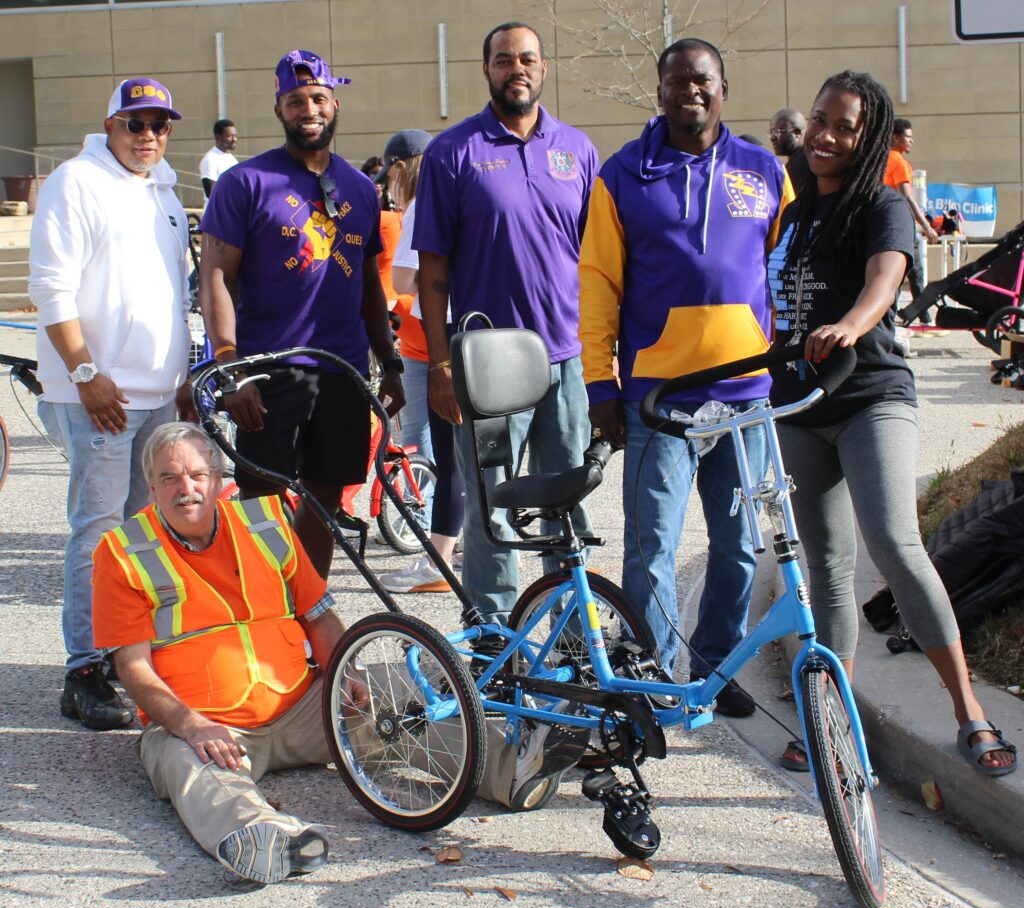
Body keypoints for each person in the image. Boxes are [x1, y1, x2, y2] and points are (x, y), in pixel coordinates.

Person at [93, 424, 590, 885]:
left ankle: (513, 771)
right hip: (209, 725)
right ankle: (262, 838)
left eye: (198, 474)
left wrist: (343, 672)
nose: (187, 488)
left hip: (304, 705)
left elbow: (319, 615)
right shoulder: (122, 551)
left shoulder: (264, 522)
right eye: (169, 478)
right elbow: (132, 668)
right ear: (151, 487)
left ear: (219, 477)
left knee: (395, 692)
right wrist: (189, 723)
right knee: (188, 766)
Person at [767, 70, 1016, 777]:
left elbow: (883, 281)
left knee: (896, 544)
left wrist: (848, 324)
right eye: (820, 119)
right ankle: (833, 712)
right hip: (801, 406)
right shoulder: (793, 214)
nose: (824, 134)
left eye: (843, 126)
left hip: (871, 395)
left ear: (867, 136)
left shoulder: (880, 204)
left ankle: (969, 708)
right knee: (827, 569)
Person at [579, 38, 793, 716]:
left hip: (744, 403)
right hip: (657, 401)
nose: (688, 92)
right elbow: (598, 284)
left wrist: (787, 357)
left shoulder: (765, 173)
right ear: (660, 91)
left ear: (723, 87)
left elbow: (786, 274)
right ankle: (657, 680)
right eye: (675, 81)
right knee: (651, 549)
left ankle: (717, 666)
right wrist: (599, 383)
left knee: (738, 548)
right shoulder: (621, 176)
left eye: (701, 80)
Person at [414, 21, 599, 624]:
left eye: (526, 59)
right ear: (486, 69)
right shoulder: (452, 154)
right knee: (491, 505)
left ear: (543, 68)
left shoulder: (579, 151)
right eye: (502, 60)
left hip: (566, 360)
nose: (515, 68)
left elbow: (597, 263)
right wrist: (441, 364)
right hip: (486, 367)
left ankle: (571, 633)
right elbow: (432, 273)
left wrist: (605, 355)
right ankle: (493, 633)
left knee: (567, 500)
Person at [198, 50, 405, 580]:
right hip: (269, 372)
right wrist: (230, 367)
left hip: (343, 371)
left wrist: (390, 360)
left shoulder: (360, 189)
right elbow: (216, 277)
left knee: (325, 501)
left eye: (317, 99)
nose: (307, 109)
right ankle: (263, 629)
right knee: (260, 505)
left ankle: (309, 617)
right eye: (295, 101)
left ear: (334, 104)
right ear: (279, 110)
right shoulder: (244, 183)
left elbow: (366, 283)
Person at [29, 77, 192, 731]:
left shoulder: (165, 193)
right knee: (97, 533)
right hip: (101, 395)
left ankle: (132, 658)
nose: (147, 134)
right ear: (110, 125)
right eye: (135, 123)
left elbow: (171, 294)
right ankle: (85, 669)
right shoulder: (77, 181)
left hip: (157, 395)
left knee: (142, 536)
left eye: (159, 123)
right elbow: (51, 286)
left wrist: (182, 375)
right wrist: (86, 371)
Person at [376, 128, 467, 594]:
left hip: (442, 338)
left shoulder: (418, 209)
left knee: (450, 455)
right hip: (476, 333)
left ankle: (441, 562)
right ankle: (448, 555)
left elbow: (407, 280)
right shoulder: (458, 195)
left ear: (400, 168)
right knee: (468, 455)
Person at [884, 118, 940, 325]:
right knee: (915, 272)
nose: (911, 141)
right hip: (900, 224)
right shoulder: (898, 161)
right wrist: (926, 226)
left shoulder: (878, 158)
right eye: (908, 137)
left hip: (884, 224)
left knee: (893, 275)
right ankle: (923, 315)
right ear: (896, 138)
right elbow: (906, 196)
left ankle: (894, 316)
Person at [769, 107, 810, 191]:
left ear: (797, 132)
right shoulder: (800, 161)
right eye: (771, 132)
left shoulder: (807, 164)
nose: (772, 137)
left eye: (777, 131)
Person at [199, 118, 238, 199]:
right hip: (218, 211)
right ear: (218, 137)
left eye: (235, 136)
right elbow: (211, 193)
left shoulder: (232, 159)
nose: (234, 139)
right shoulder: (210, 159)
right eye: (229, 136)